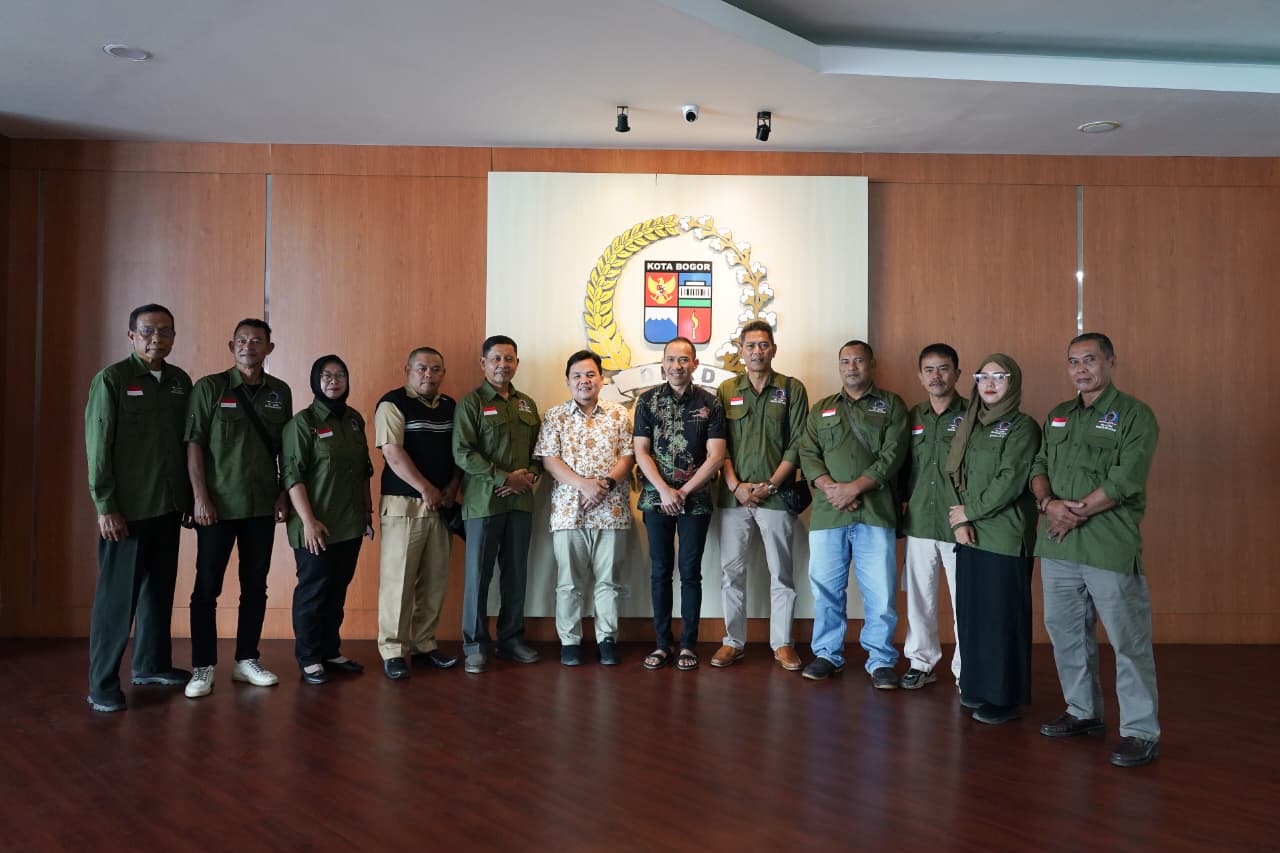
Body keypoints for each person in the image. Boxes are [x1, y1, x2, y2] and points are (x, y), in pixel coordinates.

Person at [1031, 333, 1161, 768]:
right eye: (1073, 361)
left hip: (1108, 545)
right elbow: (1038, 467)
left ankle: (1140, 731)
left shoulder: (1134, 415)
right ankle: (1083, 712)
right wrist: (1049, 504)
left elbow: (1127, 479)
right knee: (1066, 634)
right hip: (1057, 545)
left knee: (1128, 640)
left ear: (1110, 362)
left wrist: (1074, 511)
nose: (1081, 368)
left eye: (1090, 359)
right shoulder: (1058, 416)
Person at [84, 304, 193, 712]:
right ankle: (102, 683)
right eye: (148, 331)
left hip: (166, 507)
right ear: (131, 336)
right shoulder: (111, 380)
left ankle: (150, 664)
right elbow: (98, 449)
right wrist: (105, 505)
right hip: (125, 512)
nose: (156, 338)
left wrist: (184, 498)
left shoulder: (180, 382)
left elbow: (186, 446)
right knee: (117, 601)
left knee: (158, 593)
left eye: (165, 332)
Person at [184, 318, 292, 698]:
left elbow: (285, 451)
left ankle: (247, 660)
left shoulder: (280, 392)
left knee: (255, 587)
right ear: (231, 346)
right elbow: (194, 444)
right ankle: (202, 666)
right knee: (205, 589)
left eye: (257, 340)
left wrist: (283, 494)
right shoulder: (210, 387)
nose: (249, 346)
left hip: (261, 506)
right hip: (217, 507)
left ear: (269, 348)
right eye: (242, 340)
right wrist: (200, 497)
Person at [798, 340, 908, 686]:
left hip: (874, 513)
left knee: (881, 591)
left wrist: (855, 488)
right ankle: (827, 654)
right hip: (829, 515)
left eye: (859, 361)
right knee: (826, 589)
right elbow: (808, 452)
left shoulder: (891, 405)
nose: (852, 367)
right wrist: (832, 488)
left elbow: (894, 454)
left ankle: (880, 659)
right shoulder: (822, 409)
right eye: (845, 361)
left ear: (871, 364)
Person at [944, 355, 1040, 723]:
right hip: (971, 534)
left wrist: (970, 512)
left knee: (1002, 620)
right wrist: (959, 522)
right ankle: (978, 686)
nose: (990, 383)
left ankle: (1006, 697)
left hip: (1004, 537)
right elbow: (955, 476)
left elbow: (1010, 481)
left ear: (1012, 382)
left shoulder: (1022, 427)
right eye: (983, 376)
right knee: (973, 617)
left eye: (999, 377)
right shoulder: (972, 423)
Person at [713, 320, 808, 670]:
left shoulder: (792, 388)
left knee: (781, 573)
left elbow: (797, 443)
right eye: (750, 345)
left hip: (777, 496)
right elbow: (718, 446)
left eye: (763, 345)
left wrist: (769, 485)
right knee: (731, 573)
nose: (757, 351)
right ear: (740, 351)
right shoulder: (725, 390)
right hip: (733, 497)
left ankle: (782, 643)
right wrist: (736, 485)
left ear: (773, 349)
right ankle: (732, 642)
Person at [534, 350, 635, 666]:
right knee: (569, 583)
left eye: (590, 374)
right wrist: (584, 485)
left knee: (609, 581)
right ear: (568, 381)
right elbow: (549, 459)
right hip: (568, 512)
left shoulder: (619, 414)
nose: (584, 380)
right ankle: (570, 642)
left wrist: (602, 485)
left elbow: (628, 456)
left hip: (612, 511)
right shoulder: (554, 416)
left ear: (602, 380)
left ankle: (607, 639)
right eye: (577, 375)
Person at [633, 337, 726, 672]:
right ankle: (662, 644)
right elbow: (641, 451)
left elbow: (716, 457)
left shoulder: (710, 403)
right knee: (659, 572)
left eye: (684, 360)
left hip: (696, 500)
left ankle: (688, 643)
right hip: (655, 498)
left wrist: (683, 491)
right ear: (663, 363)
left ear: (695, 364)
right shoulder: (646, 402)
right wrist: (664, 490)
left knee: (690, 573)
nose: (677, 366)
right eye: (671, 359)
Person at [452, 335, 542, 674]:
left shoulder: (527, 405)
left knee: (516, 574)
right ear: (483, 363)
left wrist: (529, 476)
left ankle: (511, 640)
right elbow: (462, 453)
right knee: (478, 576)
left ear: (517, 363)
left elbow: (539, 451)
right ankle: (475, 644)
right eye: (496, 359)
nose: (503, 364)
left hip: (520, 504)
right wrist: (505, 477)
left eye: (509, 359)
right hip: (483, 503)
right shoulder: (471, 403)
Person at [282, 355, 374, 685]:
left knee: (337, 591)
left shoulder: (354, 420)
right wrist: (308, 521)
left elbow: (364, 470)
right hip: (315, 526)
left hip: (348, 524)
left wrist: (366, 513)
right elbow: (293, 476)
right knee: (313, 592)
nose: (333, 381)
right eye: (325, 376)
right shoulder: (302, 423)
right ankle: (308, 656)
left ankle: (329, 650)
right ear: (315, 381)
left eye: (340, 375)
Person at [374, 347, 462, 680]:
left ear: (443, 372)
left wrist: (452, 488)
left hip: (440, 505)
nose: (429, 374)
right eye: (422, 368)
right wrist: (426, 488)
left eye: (436, 369)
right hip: (403, 505)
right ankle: (394, 650)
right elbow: (392, 454)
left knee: (435, 580)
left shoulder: (450, 406)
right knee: (399, 582)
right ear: (408, 369)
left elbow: (459, 454)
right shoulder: (393, 403)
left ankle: (425, 644)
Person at [899, 343, 967, 690]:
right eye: (929, 370)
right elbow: (903, 467)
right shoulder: (913, 416)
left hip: (960, 525)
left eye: (943, 368)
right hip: (920, 523)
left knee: (964, 602)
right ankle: (921, 662)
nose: (936, 376)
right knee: (920, 598)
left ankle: (965, 671)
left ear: (957, 372)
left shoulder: (974, 415)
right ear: (920, 376)